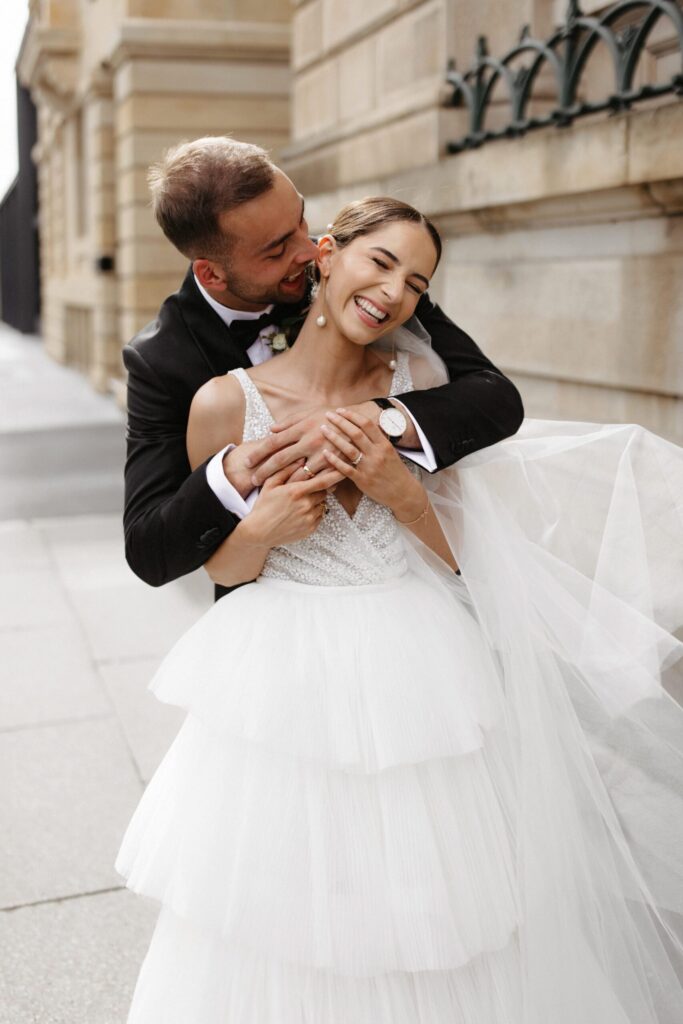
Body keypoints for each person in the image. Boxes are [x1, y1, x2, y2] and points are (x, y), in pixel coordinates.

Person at [115, 197, 683, 1022]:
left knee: (440, 904)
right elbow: (225, 572)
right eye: (378, 262)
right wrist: (262, 524)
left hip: (419, 665)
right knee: (288, 905)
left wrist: (397, 491)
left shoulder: (424, 390)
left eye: (416, 282)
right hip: (282, 671)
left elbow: (460, 563)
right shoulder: (223, 404)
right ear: (325, 255)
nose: (394, 292)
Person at [122, 136, 524, 599]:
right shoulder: (163, 361)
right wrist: (237, 474)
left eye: (300, 221)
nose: (308, 251)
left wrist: (370, 420)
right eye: (276, 250)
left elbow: (496, 396)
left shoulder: (364, 275)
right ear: (212, 273)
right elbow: (151, 549)